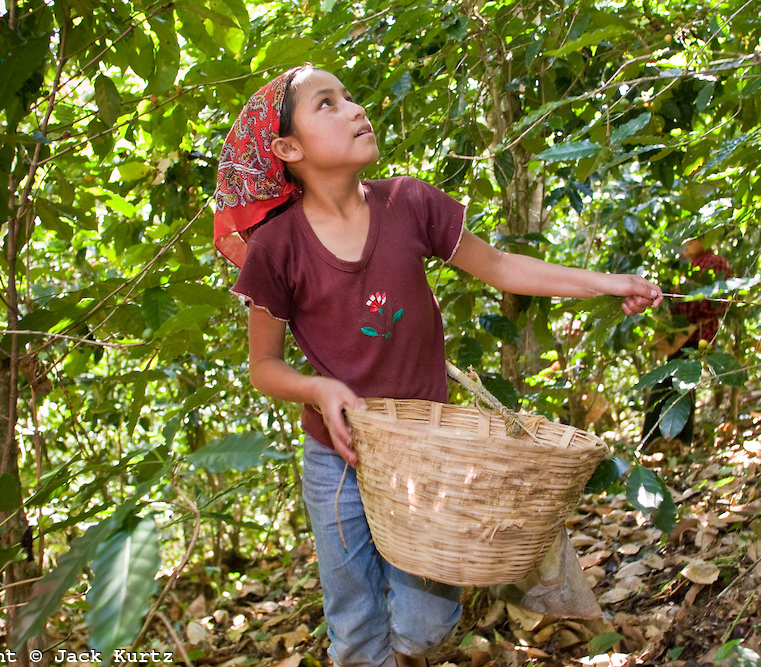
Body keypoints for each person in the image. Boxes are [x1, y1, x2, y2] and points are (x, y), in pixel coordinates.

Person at [214, 65, 663, 667]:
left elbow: (502, 267)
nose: (354, 108)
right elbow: (263, 366)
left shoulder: (408, 202)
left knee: (428, 622)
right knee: (353, 625)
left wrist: (608, 284)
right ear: (288, 149)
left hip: (431, 456)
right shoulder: (279, 247)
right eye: (327, 104)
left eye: (350, 95)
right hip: (339, 460)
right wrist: (318, 388)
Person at [642, 237, 732, 449]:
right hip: (678, 331)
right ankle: (661, 440)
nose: (686, 245)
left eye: (691, 241)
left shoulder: (715, 262)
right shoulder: (680, 261)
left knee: (682, 382)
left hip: (698, 332)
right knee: (671, 381)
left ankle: (676, 441)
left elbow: (721, 299)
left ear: (703, 240)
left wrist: (695, 310)